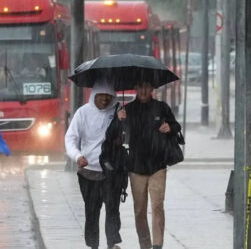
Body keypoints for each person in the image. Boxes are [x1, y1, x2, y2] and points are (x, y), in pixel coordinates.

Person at [110, 81, 181, 249]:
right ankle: (145, 244)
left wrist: (169, 127)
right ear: (135, 88)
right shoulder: (128, 110)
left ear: (152, 89)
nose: (143, 90)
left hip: (158, 166)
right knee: (139, 211)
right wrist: (119, 120)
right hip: (136, 167)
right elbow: (115, 135)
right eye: (140, 87)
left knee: (157, 206)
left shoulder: (162, 107)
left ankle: (157, 245)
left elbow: (176, 126)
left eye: (147, 87)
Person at [65, 79, 122, 249]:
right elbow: (71, 138)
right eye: (101, 95)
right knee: (91, 212)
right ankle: (93, 245)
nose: (104, 99)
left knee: (112, 210)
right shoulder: (82, 113)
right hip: (88, 172)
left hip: (111, 173)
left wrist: (122, 123)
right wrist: (77, 156)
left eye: (108, 96)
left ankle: (112, 243)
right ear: (93, 95)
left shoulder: (119, 113)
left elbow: (127, 138)